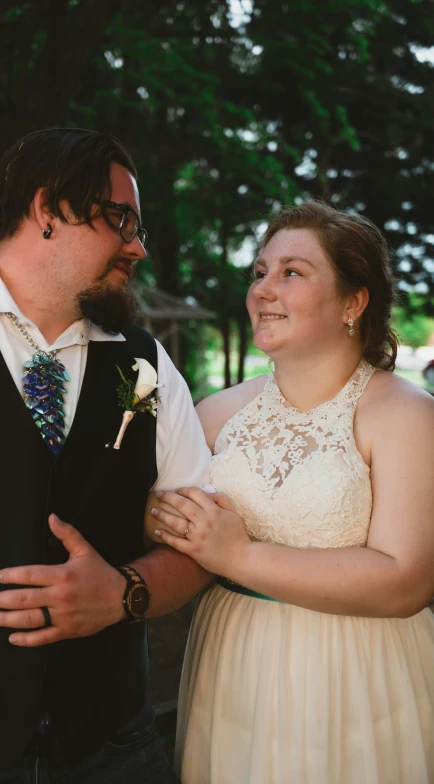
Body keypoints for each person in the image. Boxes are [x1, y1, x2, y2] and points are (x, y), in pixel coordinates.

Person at [0, 128, 213, 784]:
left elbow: (200, 547)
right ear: (48, 210)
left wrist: (125, 593)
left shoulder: (146, 366)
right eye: (121, 219)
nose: (138, 245)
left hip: (116, 748)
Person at [149, 201, 434, 783]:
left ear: (354, 302)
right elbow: (165, 522)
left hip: (357, 674)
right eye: (259, 272)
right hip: (232, 661)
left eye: (292, 273)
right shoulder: (216, 414)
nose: (263, 290)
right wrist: (161, 521)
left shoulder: (406, 414)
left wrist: (239, 556)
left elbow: (408, 580)